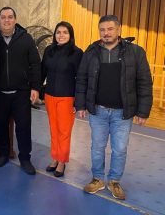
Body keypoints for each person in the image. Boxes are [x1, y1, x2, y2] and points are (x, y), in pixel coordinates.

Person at [76, 15, 152, 200]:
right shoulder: (92, 51)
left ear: (118, 30)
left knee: (119, 149)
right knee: (97, 147)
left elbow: (144, 82)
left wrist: (142, 111)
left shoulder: (135, 52)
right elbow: (82, 79)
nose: (106, 33)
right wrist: (81, 104)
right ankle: (98, 179)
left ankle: (114, 181)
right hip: (98, 111)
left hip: (122, 114)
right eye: (102, 29)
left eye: (110, 29)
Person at [0, 7, 41, 175]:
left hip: (21, 93)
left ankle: (25, 158)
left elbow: (35, 64)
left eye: (10, 17)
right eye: (3, 17)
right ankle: (4, 153)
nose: (7, 20)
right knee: (1, 125)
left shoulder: (26, 38)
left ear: (15, 19)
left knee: (24, 127)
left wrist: (35, 87)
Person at [41, 21, 83, 177]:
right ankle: (55, 157)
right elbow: (42, 72)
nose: (61, 35)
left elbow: (81, 78)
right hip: (50, 96)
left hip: (67, 97)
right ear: (54, 35)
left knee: (64, 131)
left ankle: (62, 161)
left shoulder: (77, 53)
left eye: (65, 32)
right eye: (58, 32)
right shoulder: (49, 51)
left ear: (70, 35)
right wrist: (36, 91)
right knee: (54, 130)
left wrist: (78, 101)